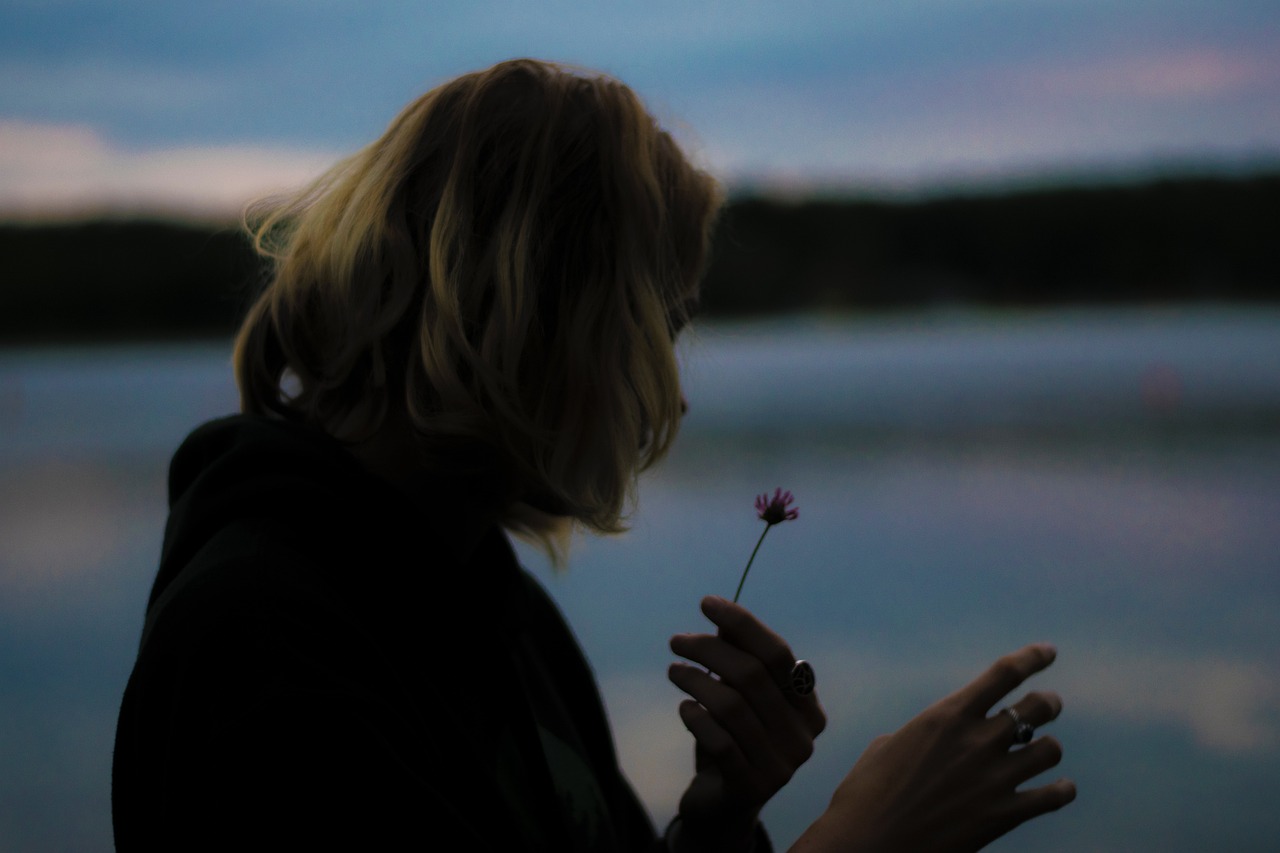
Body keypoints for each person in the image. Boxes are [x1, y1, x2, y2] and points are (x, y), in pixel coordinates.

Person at [112, 58, 1075, 851]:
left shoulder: (492, 604)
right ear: (531, 318)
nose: (673, 394)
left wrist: (716, 821)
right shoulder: (258, 647)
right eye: (657, 327)